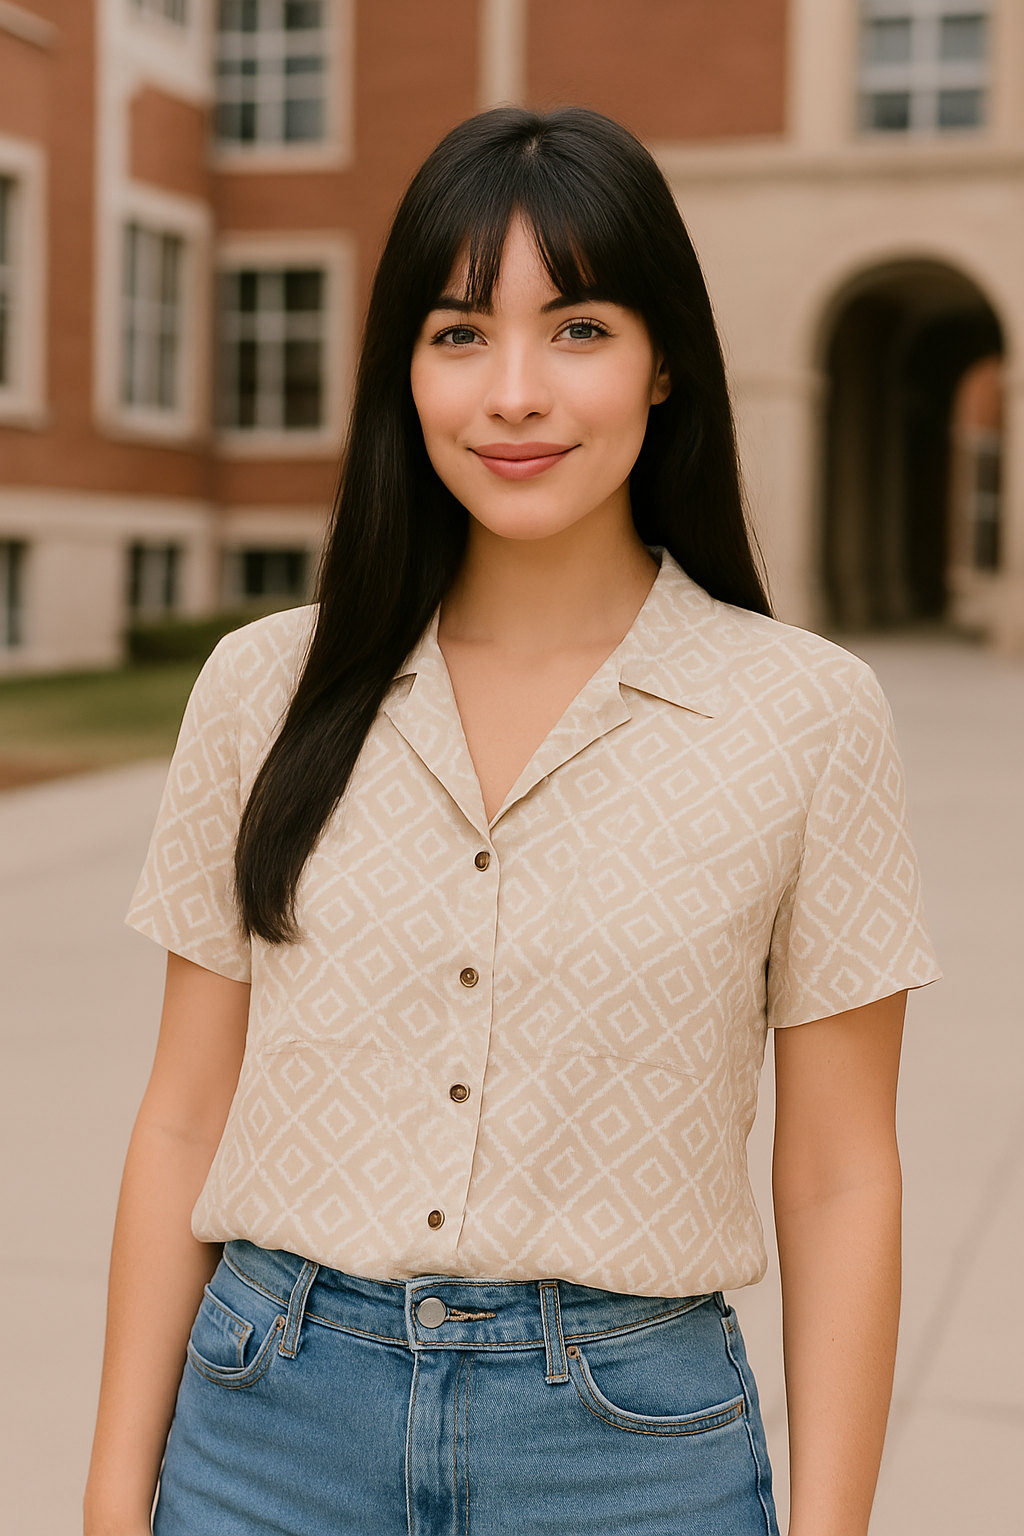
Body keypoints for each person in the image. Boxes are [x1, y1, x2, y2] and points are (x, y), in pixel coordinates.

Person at [84, 106, 939, 1536]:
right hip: (265, 1433)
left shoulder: (808, 714)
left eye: (581, 328)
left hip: (630, 1458)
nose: (516, 393)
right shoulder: (264, 689)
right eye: (461, 332)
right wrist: (115, 1497)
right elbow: (181, 1118)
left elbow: (844, 1173)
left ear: (667, 359)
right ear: (403, 372)